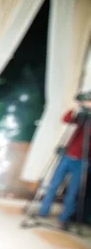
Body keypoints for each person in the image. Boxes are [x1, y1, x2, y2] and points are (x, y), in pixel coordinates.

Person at [37, 99, 91, 231]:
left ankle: (64, 219)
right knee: (53, 185)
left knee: (73, 191)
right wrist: (77, 107)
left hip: (83, 160)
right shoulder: (82, 116)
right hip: (68, 156)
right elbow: (66, 119)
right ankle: (43, 211)